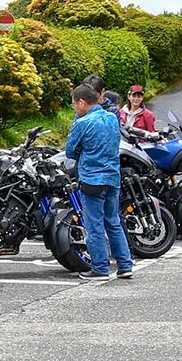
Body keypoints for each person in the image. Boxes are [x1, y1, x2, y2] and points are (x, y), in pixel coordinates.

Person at [66, 83, 133, 282]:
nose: (74, 108)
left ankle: (100, 268)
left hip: (92, 178)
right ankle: (125, 265)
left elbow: (70, 150)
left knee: (94, 225)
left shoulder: (82, 122)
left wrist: (81, 150)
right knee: (113, 222)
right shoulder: (112, 118)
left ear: (81, 102)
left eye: (74, 104)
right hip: (113, 176)